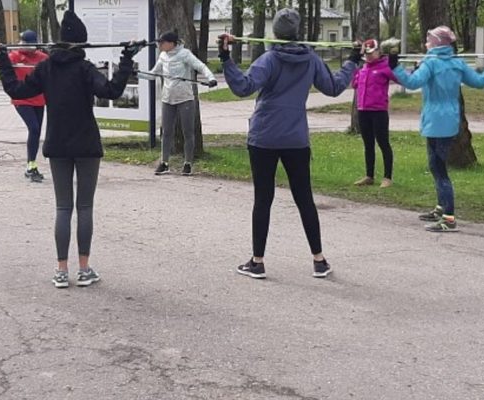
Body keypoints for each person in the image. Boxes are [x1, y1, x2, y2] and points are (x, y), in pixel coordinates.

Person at [0, 11, 141, 288]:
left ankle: (61, 271)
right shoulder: (85, 68)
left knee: (63, 207)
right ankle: (83, 269)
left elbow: (16, 90)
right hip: (86, 144)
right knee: (85, 207)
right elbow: (112, 91)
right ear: (80, 43)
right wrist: (127, 58)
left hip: (57, 144)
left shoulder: (46, 68)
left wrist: (2, 60)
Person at [218, 8, 360, 280]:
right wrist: (353, 60)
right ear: (297, 32)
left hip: (264, 137)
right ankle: (319, 260)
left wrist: (226, 57)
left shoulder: (269, 59)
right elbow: (333, 87)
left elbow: (243, 87)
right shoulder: (311, 59)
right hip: (295, 138)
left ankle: (257, 262)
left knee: (263, 199)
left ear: (276, 32)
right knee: (304, 198)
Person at [388, 26, 484, 232]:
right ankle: (441, 208)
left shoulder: (431, 63)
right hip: (449, 120)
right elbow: (479, 82)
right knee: (436, 166)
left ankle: (449, 218)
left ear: (436, 43)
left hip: (435, 121)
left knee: (439, 169)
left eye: (429, 40)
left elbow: (412, 82)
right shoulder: (456, 63)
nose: (426, 43)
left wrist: (395, 66)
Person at [139, 32, 217, 176]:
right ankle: (164, 163)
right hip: (168, 99)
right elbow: (153, 74)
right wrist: (136, 73)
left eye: (162, 42)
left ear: (172, 43)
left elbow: (201, 66)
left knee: (188, 132)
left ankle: (188, 163)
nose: (160, 45)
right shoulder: (163, 56)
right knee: (166, 132)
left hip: (185, 98)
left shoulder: (185, 54)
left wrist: (211, 78)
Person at [352, 38, 398, 188]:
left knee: (383, 143)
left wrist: (394, 62)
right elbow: (354, 84)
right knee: (368, 144)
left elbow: (399, 78)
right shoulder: (363, 68)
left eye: (372, 52)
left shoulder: (385, 66)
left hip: (379, 111)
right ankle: (369, 175)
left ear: (379, 52)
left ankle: (387, 177)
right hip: (363, 110)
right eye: (367, 53)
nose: (369, 56)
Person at [8, 30, 49, 182]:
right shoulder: (14, 56)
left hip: (39, 99)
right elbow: (4, 69)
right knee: (34, 128)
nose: (23, 45)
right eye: (22, 42)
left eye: (28, 43)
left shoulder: (43, 58)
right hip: (22, 100)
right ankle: (31, 165)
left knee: (36, 132)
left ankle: (32, 164)